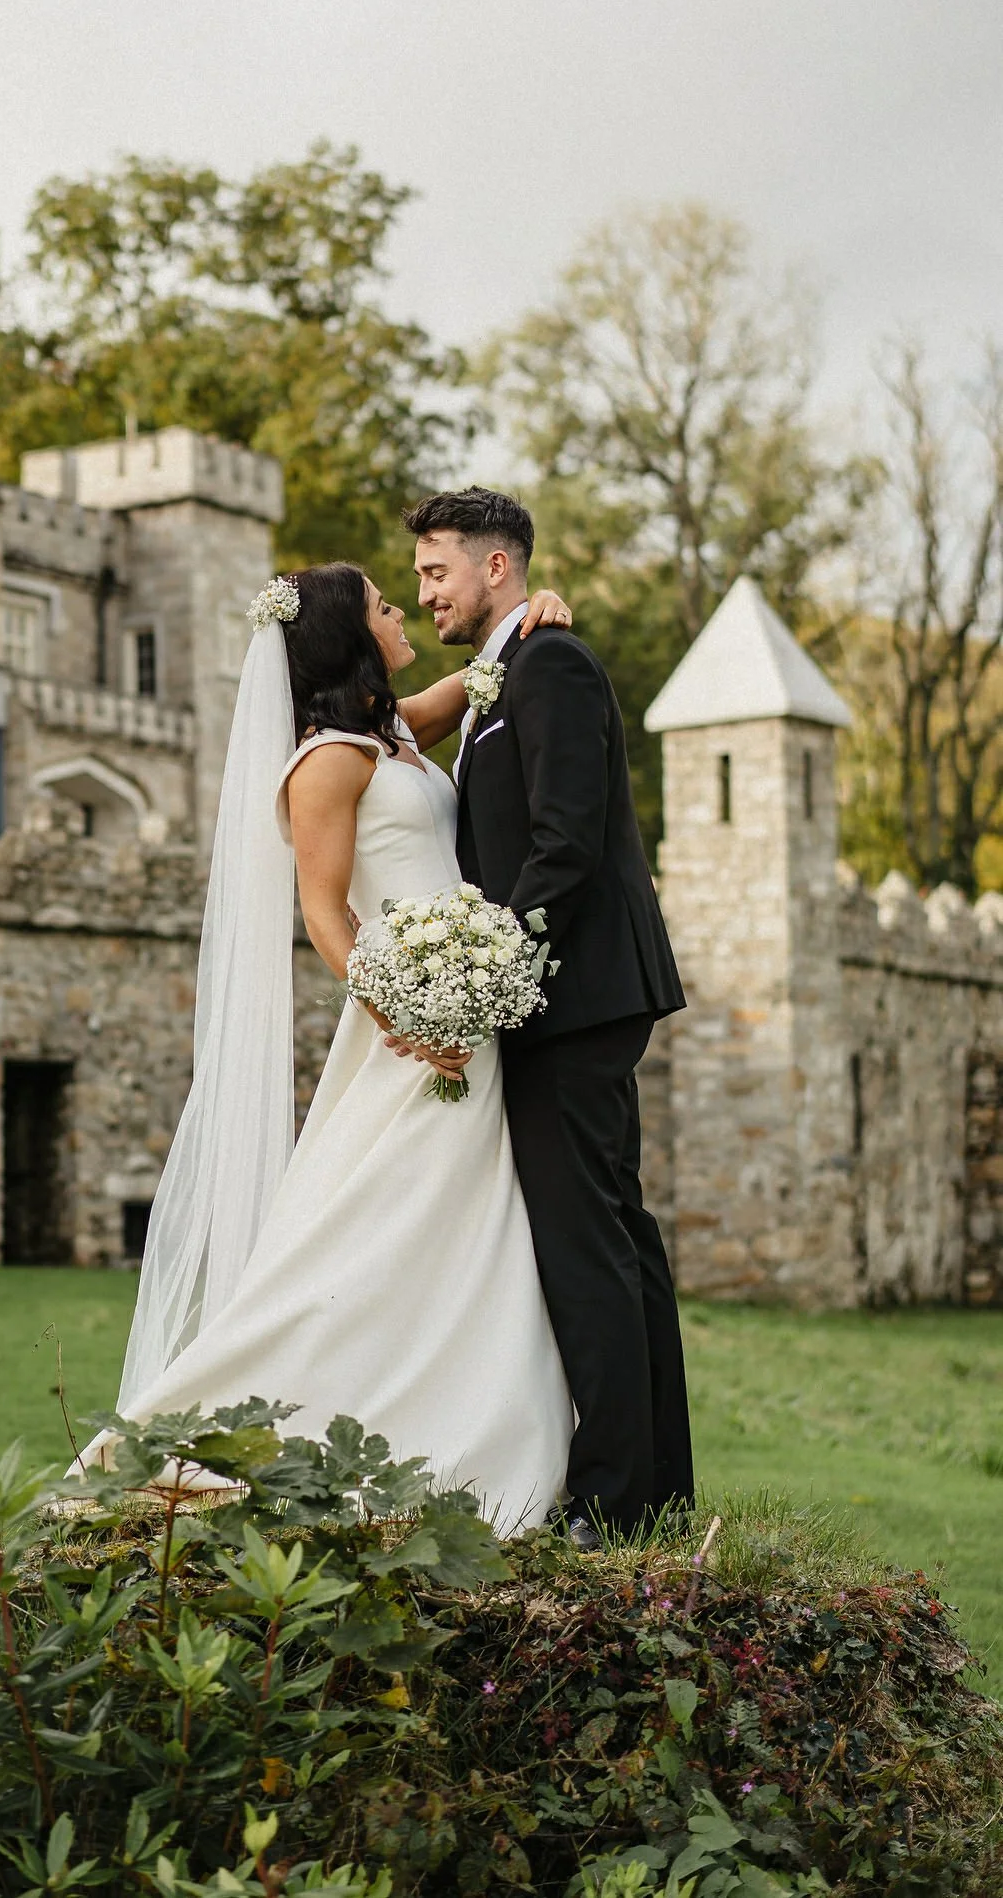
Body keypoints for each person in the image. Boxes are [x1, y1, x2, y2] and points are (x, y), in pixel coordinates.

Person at [76, 562, 577, 1530]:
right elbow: (324, 912)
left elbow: (477, 681)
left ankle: (464, 1406)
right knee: (388, 1212)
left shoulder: (389, 738)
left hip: (464, 995)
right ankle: (244, 1411)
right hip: (411, 1016)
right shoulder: (328, 761)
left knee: (458, 1215)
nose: (404, 613)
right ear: (351, 634)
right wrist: (403, 1010)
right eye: (386, 606)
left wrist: (531, 616)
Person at [406, 487, 693, 1545]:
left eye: (438, 571)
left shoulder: (551, 664)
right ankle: (654, 1492)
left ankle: (614, 1506)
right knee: (617, 1237)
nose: (425, 590)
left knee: (586, 1246)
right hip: (565, 995)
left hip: (570, 997)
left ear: (496, 568)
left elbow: (567, 841)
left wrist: (491, 971)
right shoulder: (500, 674)